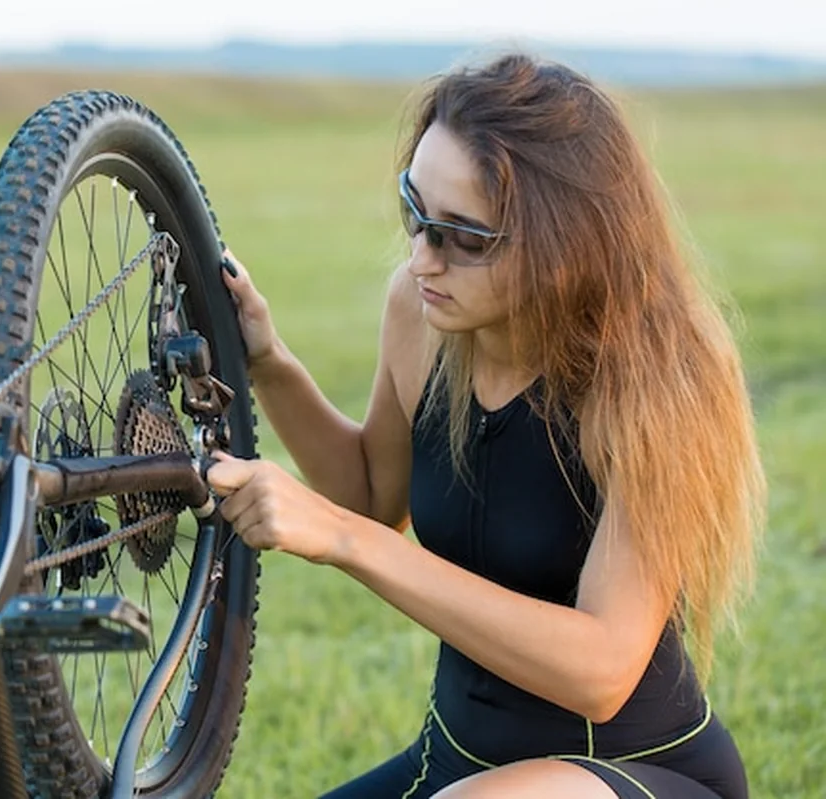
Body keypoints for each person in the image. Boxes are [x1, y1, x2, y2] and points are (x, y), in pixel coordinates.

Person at [205, 52, 766, 799]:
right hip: (456, 765)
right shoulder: (419, 308)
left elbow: (600, 669)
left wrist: (346, 541)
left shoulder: (660, 374)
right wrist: (269, 362)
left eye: (462, 237)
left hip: (639, 775)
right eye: (415, 210)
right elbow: (374, 496)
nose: (421, 257)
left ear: (564, 244)